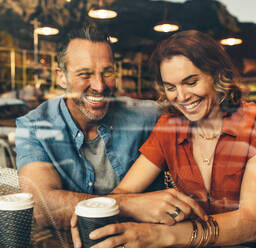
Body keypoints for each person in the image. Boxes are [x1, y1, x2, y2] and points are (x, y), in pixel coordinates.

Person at [71, 30, 256, 247]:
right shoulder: (170, 128)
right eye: (171, 87)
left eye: (191, 82)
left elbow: (251, 225)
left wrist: (159, 235)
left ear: (218, 76)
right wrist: (95, 210)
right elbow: (123, 192)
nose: (181, 97)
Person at [14, 25, 163, 228]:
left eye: (107, 72)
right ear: (61, 77)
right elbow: (42, 208)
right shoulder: (34, 126)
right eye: (85, 74)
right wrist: (131, 205)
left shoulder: (149, 117)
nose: (100, 86)